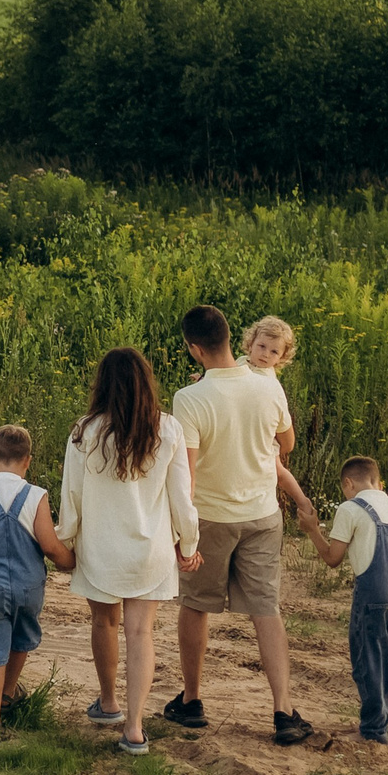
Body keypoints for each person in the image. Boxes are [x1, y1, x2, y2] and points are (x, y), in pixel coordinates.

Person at [166, 303, 319, 746]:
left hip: (212, 517)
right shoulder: (269, 389)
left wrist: (182, 530)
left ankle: (192, 701)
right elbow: (286, 443)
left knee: (195, 605)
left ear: (195, 350)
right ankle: (283, 711)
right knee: (265, 610)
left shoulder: (189, 398)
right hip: (262, 516)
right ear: (237, 339)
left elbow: (186, 473)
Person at [55, 347, 201, 756]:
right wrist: (188, 544)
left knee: (104, 624)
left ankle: (108, 703)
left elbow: (73, 498)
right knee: (141, 633)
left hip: (101, 548)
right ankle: (135, 728)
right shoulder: (167, 429)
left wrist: (62, 540)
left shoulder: (84, 431)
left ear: (101, 383)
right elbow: (181, 499)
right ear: (146, 382)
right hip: (150, 550)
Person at [300, 456, 388, 744]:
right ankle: (378, 723)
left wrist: (312, 530)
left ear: (348, 483)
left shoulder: (350, 508)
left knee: (367, 660)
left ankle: (373, 731)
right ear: (378, 483)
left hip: (373, 595)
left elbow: (333, 558)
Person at [0, 424, 76, 741]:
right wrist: (71, 561)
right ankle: (8, 693)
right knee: (21, 638)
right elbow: (49, 545)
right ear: (28, 461)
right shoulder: (36, 496)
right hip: (28, 588)